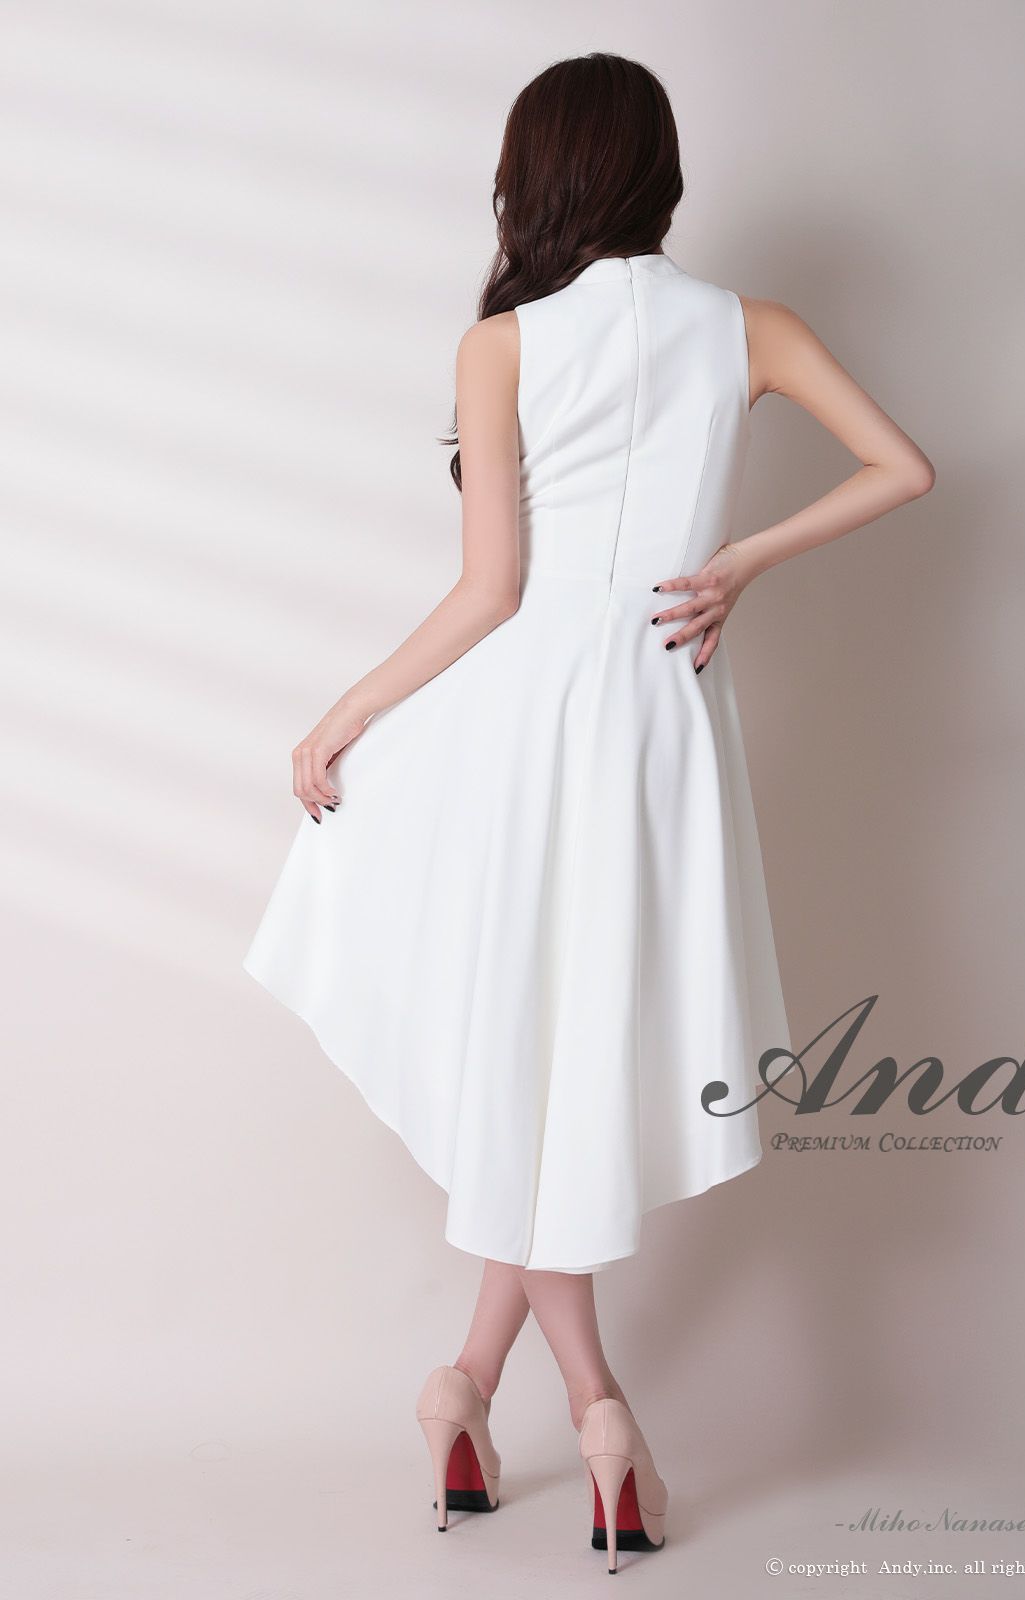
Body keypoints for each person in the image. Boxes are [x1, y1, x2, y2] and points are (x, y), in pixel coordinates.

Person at [242, 51, 934, 1574]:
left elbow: (493, 591)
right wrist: (736, 562)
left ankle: (570, 1407)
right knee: (554, 1075)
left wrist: (348, 712)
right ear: (659, 173)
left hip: (515, 732)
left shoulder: (501, 345)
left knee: (533, 1068)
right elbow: (905, 468)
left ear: (534, 176)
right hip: (658, 731)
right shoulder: (750, 328)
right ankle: (496, 1397)